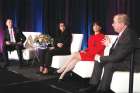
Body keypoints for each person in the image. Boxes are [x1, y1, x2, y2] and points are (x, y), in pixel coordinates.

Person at [79, 14, 137, 93]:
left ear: (122, 24)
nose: (112, 24)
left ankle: (102, 90)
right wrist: (108, 46)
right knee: (98, 61)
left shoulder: (129, 34)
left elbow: (118, 56)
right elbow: (115, 52)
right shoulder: (122, 33)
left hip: (131, 63)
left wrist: (100, 57)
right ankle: (93, 86)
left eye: (114, 22)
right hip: (123, 59)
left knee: (109, 65)